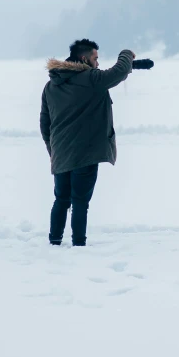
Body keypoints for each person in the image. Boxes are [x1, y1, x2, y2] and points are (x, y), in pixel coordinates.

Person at [40, 39, 135, 246]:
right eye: (96, 58)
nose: (98, 63)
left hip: (61, 153)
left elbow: (44, 124)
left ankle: (54, 242)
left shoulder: (50, 85)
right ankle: (78, 245)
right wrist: (127, 53)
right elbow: (118, 72)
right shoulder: (91, 78)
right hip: (85, 154)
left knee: (61, 200)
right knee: (80, 201)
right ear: (84, 59)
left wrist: (53, 150)